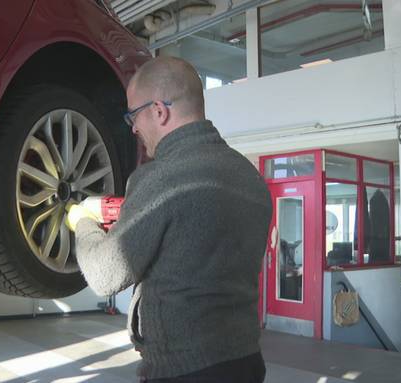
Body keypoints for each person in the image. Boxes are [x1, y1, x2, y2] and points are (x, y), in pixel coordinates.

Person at [65, 56, 272, 382]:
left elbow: (105, 275)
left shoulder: (158, 178)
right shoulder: (251, 179)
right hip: (246, 362)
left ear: (159, 111)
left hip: (182, 370)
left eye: (133, 115)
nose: (132, 127)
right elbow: (193, 242)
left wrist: (83, 222)